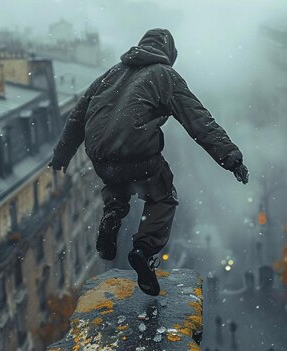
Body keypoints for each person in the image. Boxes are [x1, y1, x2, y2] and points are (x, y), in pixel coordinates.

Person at [49, 28, 248, 296]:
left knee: (115, 178)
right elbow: (199, 121)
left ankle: (112, 213)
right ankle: (143, 250)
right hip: (137, 153)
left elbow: (75, 118)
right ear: (169, 54)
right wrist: (231, 158)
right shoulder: (165, 76)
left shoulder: (110, 73)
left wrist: (61, 155)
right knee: (163, 196)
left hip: (98, 153)